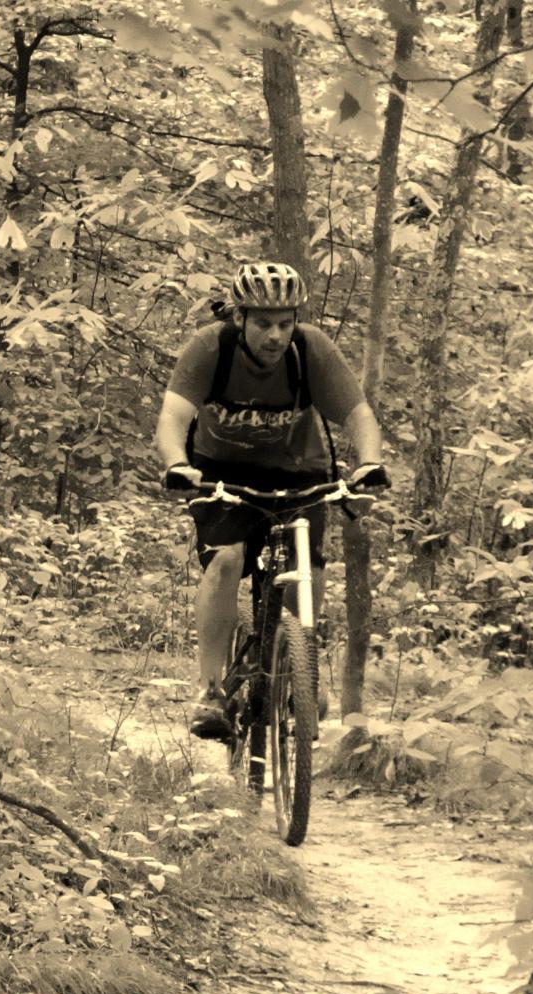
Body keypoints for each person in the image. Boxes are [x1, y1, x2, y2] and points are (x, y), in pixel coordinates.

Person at [154, 261, 389, 738]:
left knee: (309, 568)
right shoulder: (210, 347)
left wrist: (367, 465)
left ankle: (302, 664)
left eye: (285, 323)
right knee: (226, 560)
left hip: (299, 468)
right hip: (221, 471)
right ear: (239, 318)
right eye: (263, 323)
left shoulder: (310, 349)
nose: (276, 335)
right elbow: (173, 418)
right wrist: (178, 464)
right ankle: (210, 690)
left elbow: (357, 413)